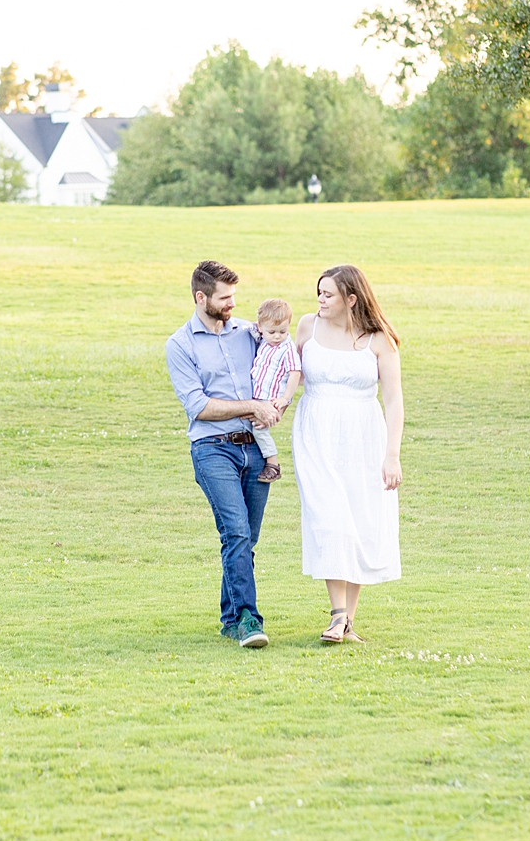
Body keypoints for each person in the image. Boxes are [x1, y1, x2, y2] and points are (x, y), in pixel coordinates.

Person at [166, 260, 281, 649]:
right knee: (235, 531)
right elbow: (198, 406)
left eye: (235, 296)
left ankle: (230, 619)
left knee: (245, 539)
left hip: (256, 450)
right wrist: (252, 405)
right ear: (202, 298)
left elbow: (280, 362)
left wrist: (276, 403)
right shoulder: (180, 344)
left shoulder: (249, 333)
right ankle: (250, 619)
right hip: (212, 450)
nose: (233, 303)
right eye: (225, 297)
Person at [291, 264, 403, 643]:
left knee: (360, 523)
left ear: (351, 299)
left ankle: (345, 621)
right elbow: (290, 372)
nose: (320, 300)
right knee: (330, 518)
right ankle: (337, 614)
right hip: (316, 433)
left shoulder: (378, 340)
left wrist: (392, 455)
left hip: (363, 437)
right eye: (318, 293)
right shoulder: (307, 327)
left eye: (328, 294)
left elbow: (393, 400)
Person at [248, 298, 303, 483]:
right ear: (261, 328)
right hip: (255, 395)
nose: (277, 336)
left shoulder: (287, 349)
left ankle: (273, 464)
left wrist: (285, 398)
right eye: (272, 332)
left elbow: (295, 373)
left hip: (270, 398)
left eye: (283, 331)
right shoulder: (264, 340)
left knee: (259, 429)